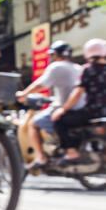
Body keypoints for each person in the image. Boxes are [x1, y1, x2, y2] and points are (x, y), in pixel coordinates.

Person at [15, 40, 85, 170]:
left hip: (66, 110)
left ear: (56, 54)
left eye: (52, 55)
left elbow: (40, 85)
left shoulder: (56, 67)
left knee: (33, 124)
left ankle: (41, 157)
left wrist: (23, 94)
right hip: (81, 109)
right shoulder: (78, 68)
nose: (51, 58)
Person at [51, 38, 106, 165]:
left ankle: (71, 152)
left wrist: (62, 110)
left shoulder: (88, 69)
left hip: (93, 113)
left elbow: (77, 93)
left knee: (59, 120)